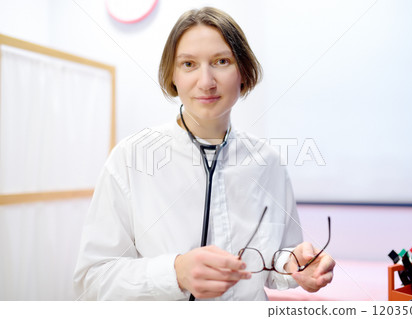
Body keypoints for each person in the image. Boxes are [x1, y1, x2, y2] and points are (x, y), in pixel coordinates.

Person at [73, 6, 335, 301]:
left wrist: (294, 264)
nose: (206, 81)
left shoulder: (269, 163)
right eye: (188, 64)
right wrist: (175, 272)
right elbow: (92, 280)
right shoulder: (130, 160)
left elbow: (275, 260)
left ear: (243, 73)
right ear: (172, 76)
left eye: (221, 61)